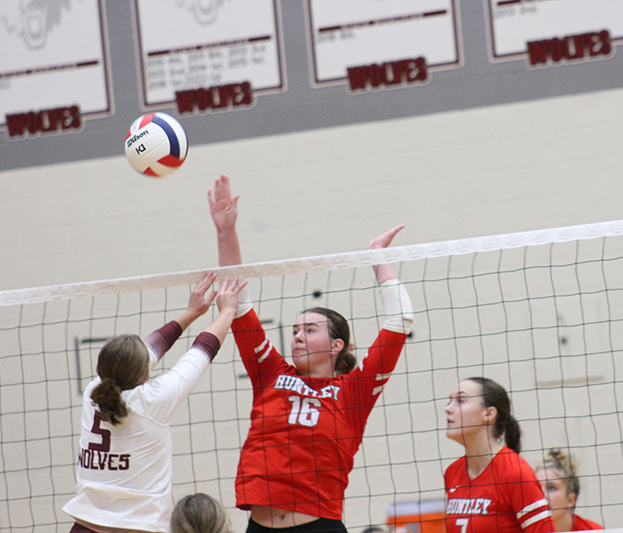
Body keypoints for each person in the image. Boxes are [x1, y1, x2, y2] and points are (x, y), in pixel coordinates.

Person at [208, 175, 413, 533]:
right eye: (296, 330)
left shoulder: (355, 391)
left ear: (337, 347)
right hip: (258, 526)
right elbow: (238, 302)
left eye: (310, 330)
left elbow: (399, 321)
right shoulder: (271, 372)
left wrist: (378, 258)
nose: (299, 336)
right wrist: (226, 232)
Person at [63, 272, 247, 533]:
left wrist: (192, 312)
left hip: (84, 527)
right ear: (146, 373)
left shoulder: (93, 391)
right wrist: (227, 310)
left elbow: (150, 349)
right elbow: (203, 350)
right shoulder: (152, 400)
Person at [444, 377, 555, 533]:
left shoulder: (515, 473)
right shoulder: (453, 473)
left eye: (460, 401)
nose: (448, 408)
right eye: (449, 401)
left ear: (489, 414)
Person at [535, 449, 602, 531]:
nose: (542, 495)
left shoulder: (594, 530)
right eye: (537, 488)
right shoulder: (522, 529)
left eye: (551, 488)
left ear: (570, 500)